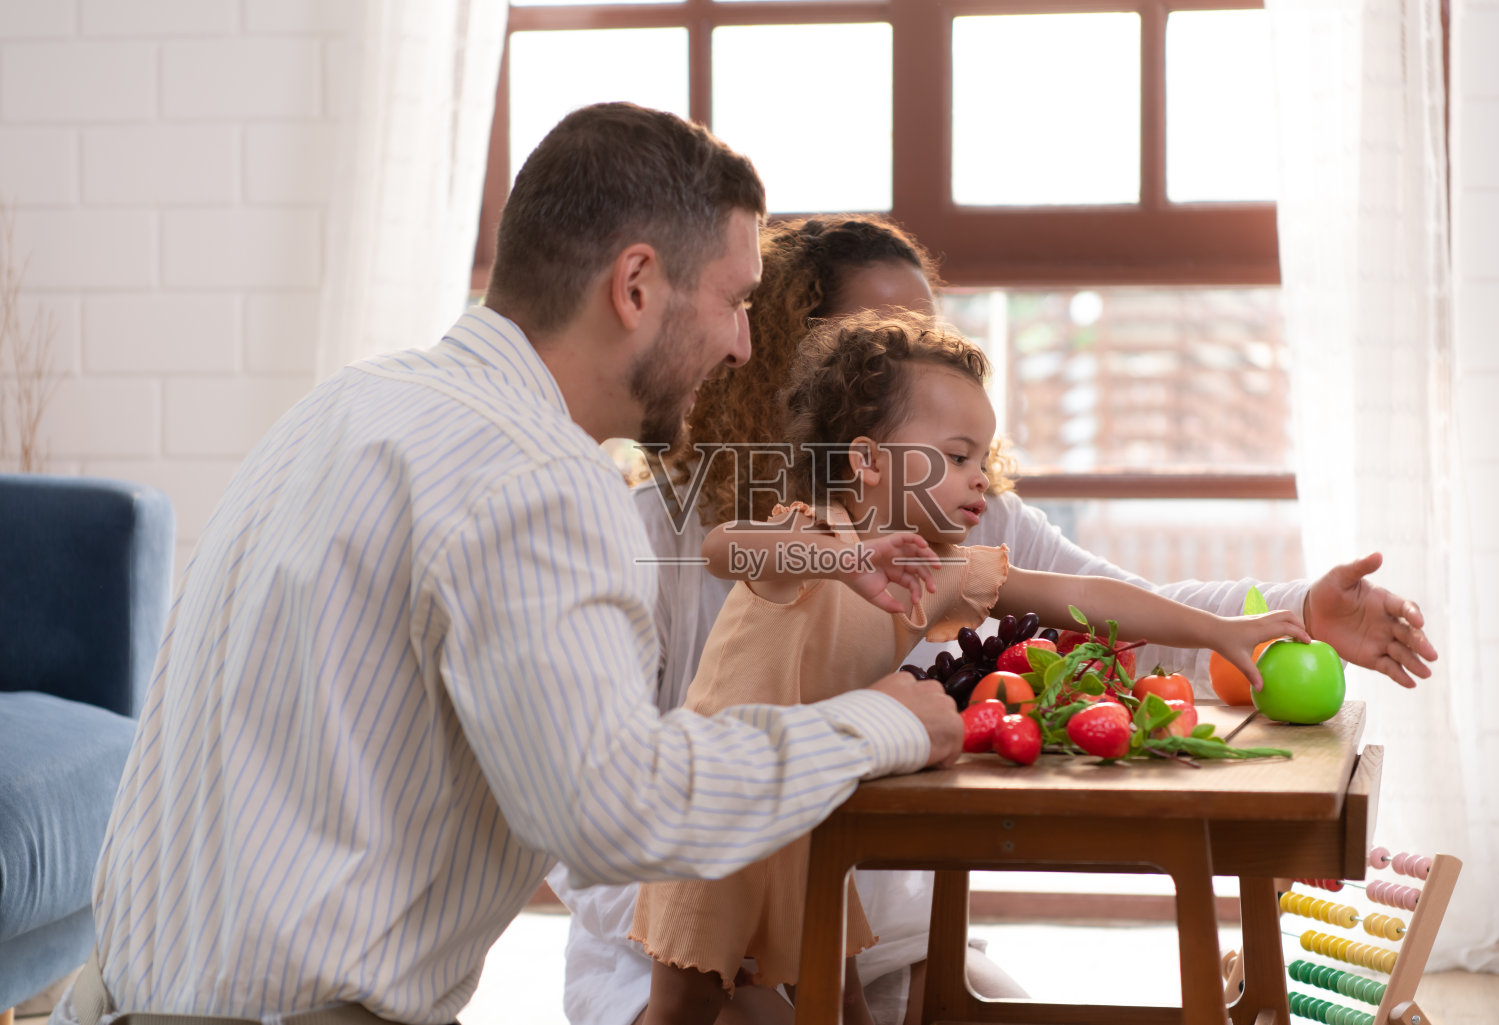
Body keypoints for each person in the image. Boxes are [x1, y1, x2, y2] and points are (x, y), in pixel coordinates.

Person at [50, 106, 965, 1025]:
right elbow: (621, 811)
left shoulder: (349, 403)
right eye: (734, 300)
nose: (744, 345)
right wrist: (878, 721)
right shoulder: (538, 472)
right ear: (636, 285)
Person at [552, 214, 1439, 1025]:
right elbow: (576, 797)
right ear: (805, 370)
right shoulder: (682, 528)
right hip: (679, 910)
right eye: (886, 346)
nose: (924, 356)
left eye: (934, 338)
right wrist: (844, 558)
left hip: (873, 926)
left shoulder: (959, 523)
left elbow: (1106, 606)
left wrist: (1292, 614)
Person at [624, 311, 1310, 1025]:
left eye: (982, 457)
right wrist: (849, 558)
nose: (979, 478)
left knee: (842, 998)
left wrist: (1215, 629)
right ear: (867, 461)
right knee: (686, 1005)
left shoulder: (936, 568)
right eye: (956, 457)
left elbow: (1073, 596)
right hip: (718, 801)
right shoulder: (813, 534)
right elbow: (724, 548)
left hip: (808, 813)